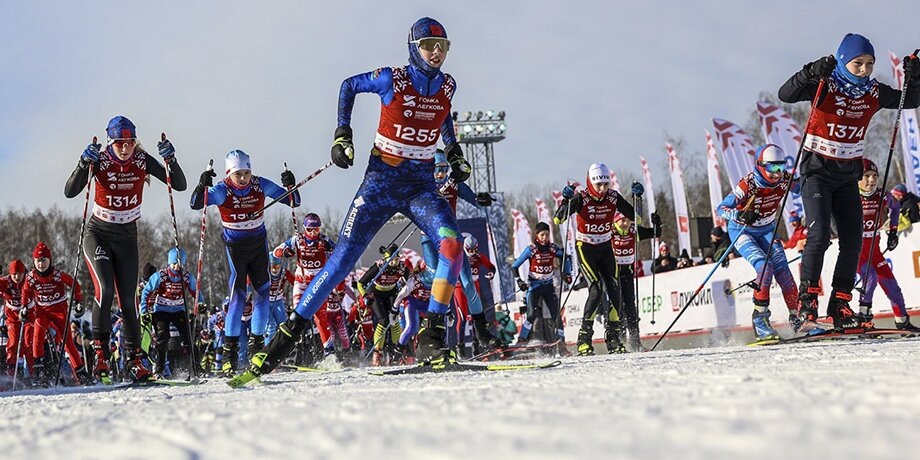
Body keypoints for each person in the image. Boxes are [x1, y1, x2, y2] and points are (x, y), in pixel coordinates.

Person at [239, 17, 471, 383]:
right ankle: (280, 344)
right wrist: (342, 134)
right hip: (381, 181)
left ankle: (432, 337)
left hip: (421, 186)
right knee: (342, 261)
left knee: (453, 246)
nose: (436, 52)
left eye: (442, 46)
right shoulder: (392, 78)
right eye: (428, 45)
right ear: (414, 47)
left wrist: (454, 151)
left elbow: (442, 116)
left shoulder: (448, 85)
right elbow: (348, 86)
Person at [778, 34, 920, 331]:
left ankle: (840, 304)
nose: (865, 70)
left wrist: (914, 78)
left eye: (870, 64)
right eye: (858, 64)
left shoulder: (874, 92)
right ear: (843, 61)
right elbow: (785, 94)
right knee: (818, 237)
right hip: (817, 172)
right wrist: (810, 71)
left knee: (854, 242)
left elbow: (912, 100)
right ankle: (807, 303)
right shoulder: (825, 84)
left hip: (847, 176)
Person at [64, 115, 187, 383]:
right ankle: (101, 356)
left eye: (129, 141)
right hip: (99, 233)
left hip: (127, 236)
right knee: (105, 290)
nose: (125, 147)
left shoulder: (141, 160)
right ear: (111, 141)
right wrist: (82, 163)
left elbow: (178, 185)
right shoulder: (100, 160)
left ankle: (134, 360)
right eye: (119, 142)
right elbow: (70, 191)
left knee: (129, 300)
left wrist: (171, 160)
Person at [189, 149, 299, 376]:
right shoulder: (222, 190)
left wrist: (291, 186)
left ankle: (257, 348)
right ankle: (229, 354)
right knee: (238, 296)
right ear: (229, 173)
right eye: (238, 173)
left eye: (247, 172)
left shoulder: (259, 185)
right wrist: (202, 186)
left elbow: (293, 201)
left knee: (263, 293)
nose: (243, 178)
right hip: (234, 248)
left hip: (258, 245)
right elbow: (195, 204)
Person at [717, 144, 803, 339]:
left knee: (783, 271)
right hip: (742, 231)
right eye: (772, 168)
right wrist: (739, 214)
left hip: (767, 230)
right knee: (764, 267)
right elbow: (721, 208)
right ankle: (760, 319)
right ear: (760, 166)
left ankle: (797, 317)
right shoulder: (748, 184)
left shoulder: (784, 180)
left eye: (780, 168)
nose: (777, 174)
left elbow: (801, 188)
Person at [554, 163, 635, 356]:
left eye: (605, 184)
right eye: (598, 185)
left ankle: (614, 339)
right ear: (590, 183)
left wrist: (637, 199)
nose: (602, 189)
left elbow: (636, 218)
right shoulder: (582, 198)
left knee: (616, 292)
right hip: (586, 248)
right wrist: (565, 201)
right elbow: (558, 220)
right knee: (596, 289)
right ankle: (584, 340)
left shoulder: (613, 197)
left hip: (606, 247)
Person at [430, 150, 502, 350]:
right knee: (435, 286)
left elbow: (474, 199)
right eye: (437, 170)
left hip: (452, 239)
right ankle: (436, 337)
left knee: (469, 283)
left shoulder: (454, 183)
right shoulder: (424, 185)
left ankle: (483, 333)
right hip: (431, 240)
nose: (441, 174)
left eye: (444, 169)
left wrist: (482, 199)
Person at [856, 159, 920, 331]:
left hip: (875, 251)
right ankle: (864, 321)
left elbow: (896, 207)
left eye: (875, 176)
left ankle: (902, 321)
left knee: (893, 287)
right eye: (866, 176)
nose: (871, 180)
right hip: (856, 252)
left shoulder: (882, 196)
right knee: (870, 279)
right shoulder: (850, 195)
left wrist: (893, 231)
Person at [20, 242, 91, 386]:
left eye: (44, 260)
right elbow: (25, 292)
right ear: (34, 262)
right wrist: (24, 308)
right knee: (37, 338)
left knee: (67, 342)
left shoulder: (57, 275)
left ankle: (80, 373)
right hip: (42, 311)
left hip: (59, 311)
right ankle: (39, 373)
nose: (41, 264)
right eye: (38, 261)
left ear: (49, 260)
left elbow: (75, 284)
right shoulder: (31, 277)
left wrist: (79, 302)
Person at [271, 213, 335, 357]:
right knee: (297, 316)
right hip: (301, 281)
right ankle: (289, 350)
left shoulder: (324, 240)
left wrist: (330, 249)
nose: (313, 233)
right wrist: (285, 251)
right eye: (310, 230)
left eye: (316, 230)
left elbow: (339, 255)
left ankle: (329, 352)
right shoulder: (297, 240)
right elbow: (276, 252)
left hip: (319, 282)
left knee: (321, 317)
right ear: (305, 228)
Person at [138, 248, 202, 379]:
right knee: (163, 339)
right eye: (173, 264)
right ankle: (159, 370)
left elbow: (196, 291)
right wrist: (144, 311)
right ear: (169, 262)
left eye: (179, 264)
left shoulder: (186, 276)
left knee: (188, 338)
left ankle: (196, 368)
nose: (176, 267)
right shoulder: (161, 276)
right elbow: (146, 292)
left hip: (178, 311)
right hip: (161, 310)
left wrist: (200, 303)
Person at [511, 222, 572, 356]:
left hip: (548, 287)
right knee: (532, 314)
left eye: (547, 234)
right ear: (537, 235)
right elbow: (514, 266)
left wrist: (566, 273)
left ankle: (561, 344)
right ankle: (521, 340)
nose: (545, 237)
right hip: (534, 286)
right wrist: (519, 282)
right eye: (542, 235)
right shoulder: (531, 250)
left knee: (556, 315)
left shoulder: (552, 248)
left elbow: (566, 257)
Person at [611, 212, 661, 351]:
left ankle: (635, 343)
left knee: (631, 310)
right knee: (618, 309)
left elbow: (655, 233)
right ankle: (619, 343)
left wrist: (657, 223)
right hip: (613, 276)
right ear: (616, 221)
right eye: (622, 221)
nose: (625, 223)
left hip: (627, 275)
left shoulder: (633, 232)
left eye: (627, 220)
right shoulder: (610, 233)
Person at [358, 250, 410, 366]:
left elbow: (409, 282)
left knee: (394, 321)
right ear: (386, 259)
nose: (394, 263)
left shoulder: (402, 267)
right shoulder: (378, 267)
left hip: (391, 292)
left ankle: (396, 353)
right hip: (376, 293)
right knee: (383, 321)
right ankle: (377, 353)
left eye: (396, 259)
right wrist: (365, 296)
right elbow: (360, 283)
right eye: (391, 260)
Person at [393, 260, 436, 364]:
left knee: (435, 325)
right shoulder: (414, 280)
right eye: (429, 273)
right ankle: (397, 352)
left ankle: (432, 350)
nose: (431, 277)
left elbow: (442, 297)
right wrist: (393, 310)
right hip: (413, 302)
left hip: (426, 303)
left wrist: (447, 312)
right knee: (411, 327)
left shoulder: (437, 281)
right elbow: (401, 295)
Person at [1, 260, 33, 378]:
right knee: (13, 341)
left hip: (29, 315)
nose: (17, 277)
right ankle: (11, 370)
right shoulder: (5, 281)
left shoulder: (29, 280)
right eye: (14, 274)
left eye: (20, 273)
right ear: (10, 274)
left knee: (28, 342)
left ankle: (32, 372)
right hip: (13, 316)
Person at [265, 252, 295, 343]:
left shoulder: (283, 272)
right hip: (267, 303)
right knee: (270, 327)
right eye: (272, 267)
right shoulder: (265, 273)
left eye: (277, 266)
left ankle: (284, 347)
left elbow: (295, 282)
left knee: (284, 324)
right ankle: (267, 348)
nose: (274, 270)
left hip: (278, 302)